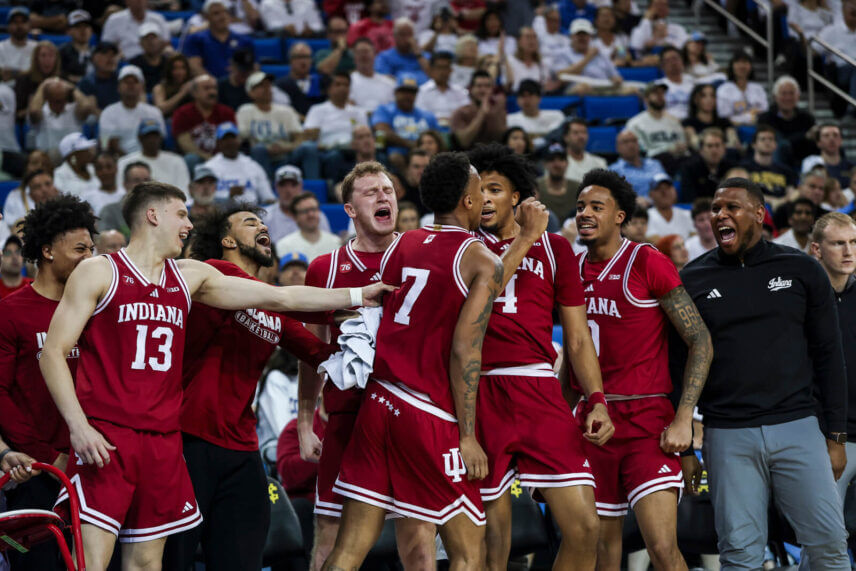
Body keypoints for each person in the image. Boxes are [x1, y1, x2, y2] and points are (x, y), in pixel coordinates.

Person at [40, 180, 392, 571]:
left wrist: (359, 295)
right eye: (181, 214)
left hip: (165, 441)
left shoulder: (190, 277)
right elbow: (53, 352)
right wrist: (78, 426)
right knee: (90, 561)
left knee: (146, 563)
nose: (188, 224)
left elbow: (282, 298)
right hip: (110, 435)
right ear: (153, 215)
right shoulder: (98, 271)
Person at [323, 152, 502, 570]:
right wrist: (469, 435)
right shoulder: (482, 260)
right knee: (468, 552)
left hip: (379, 401)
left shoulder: (402, 242)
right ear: (468, 200)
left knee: (348, 550)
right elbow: (465, 350)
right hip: (427, 413)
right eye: (479, 188)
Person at [678, 178, 849, 568]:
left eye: (731, 207)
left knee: (828, 544)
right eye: (716, 209)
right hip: (726, 433)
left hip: (799, 425)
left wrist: (836, 435)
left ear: (759, 214)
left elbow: (828, 356)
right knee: (739, 554)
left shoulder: (802, 269)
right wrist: (687, 448)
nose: (720, 214)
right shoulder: (692, 279)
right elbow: (677, 365)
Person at [162, 203, 336, 571]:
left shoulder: (269, 302)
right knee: (172, 561)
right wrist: (356, 298)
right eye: (250, 222)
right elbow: (291, 301)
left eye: (263, 223)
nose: (263, 228)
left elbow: (320, 354)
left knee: (242, 561)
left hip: (242, 448)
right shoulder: (213, 274)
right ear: (226, 240)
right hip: (187, 441)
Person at [468, 144, 611, 570]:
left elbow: (579, 338)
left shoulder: (555, 249)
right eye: (478, 191)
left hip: (537, 388)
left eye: (495, 189)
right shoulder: (461, 246)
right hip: (479, 389)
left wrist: (597, 398)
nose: (486, 199)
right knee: (492, 548)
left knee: (586, 529)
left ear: (517, 198)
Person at [297, 161, 435, 570]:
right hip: (349, 417)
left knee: (419, 538)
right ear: (350, 210)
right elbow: (312, 351)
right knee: (330, 533)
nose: (383, 196)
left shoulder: (423, 257)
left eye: (388, 190)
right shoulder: (325, 268)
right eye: (370, 192)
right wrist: (306, 420)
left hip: (412, 414)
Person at [574, 168, 712, 569]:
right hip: (590, 420)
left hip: (647, 419)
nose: (585, 213)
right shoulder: (571, 269)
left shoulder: (645, 260)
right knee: (602, 553)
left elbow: (700, 339)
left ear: (620, 216)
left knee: (663, 549)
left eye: (596, 207)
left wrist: (685, 417)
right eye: (580, 206)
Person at [0, 195, 96, 570]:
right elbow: (1, 392)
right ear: (47, 251)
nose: (90, 257)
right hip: (33, 471)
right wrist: (22, 453)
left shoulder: (97, 311)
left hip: (90, 463)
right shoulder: (10, 312)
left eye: (92, 247)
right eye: (79, 249)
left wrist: (67, 449)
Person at [804, 212, 856, 568]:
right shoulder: (798, 301)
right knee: (824, 541)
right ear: (816, 249)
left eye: (853, 243)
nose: (848, 251)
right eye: (838, 243)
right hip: (823, 438)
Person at [238, 71, 318, 181]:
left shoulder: (285, 110)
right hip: (260, 156)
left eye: (268, 85)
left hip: (287, 154)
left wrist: (287, 148)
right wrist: (268, 148)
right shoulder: (245, 110)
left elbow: (300, 137)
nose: (267, 89)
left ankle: (314, 188)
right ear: (251, 92)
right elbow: (243, 138)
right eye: (261, 86)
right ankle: (265, 188)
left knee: (309, 147)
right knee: (259, 149)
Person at [302, 72, 368, 179]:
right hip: (328, 151)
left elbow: (366, 134)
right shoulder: (318, 110)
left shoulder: (358, 112)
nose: (342, 88)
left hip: (354, 151)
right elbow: (309, 136)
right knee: (335, 157)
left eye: (346, 85)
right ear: (329, 89)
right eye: (338, 84)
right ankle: (333, 187)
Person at [372, 73, 440, 170]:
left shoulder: (427, 116)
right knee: (395, 157)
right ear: (396, 93)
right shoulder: (384, 110)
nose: (408, 96)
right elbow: (382, 132)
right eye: (404, 91)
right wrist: (413, 145)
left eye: (411, 92)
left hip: (425, 153)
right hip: (398, 152)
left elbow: (437, 138)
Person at [173, 75, 237, 172]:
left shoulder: (226, 112)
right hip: (199, 160)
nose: (212, 92)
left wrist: (218, 160)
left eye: (214, 88)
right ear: (194, 93)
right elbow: (185, 143)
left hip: (223, 159)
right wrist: (209, 159)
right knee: (191, 158)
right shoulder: (183, 113)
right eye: (206, 88)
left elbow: (233, 140)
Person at [98, 65, 166, 156]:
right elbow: (105, 143)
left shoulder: (154, 112)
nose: (131, 85)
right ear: (118, 87)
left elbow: (160, 139)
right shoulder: (108, 112)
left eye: (135, 82)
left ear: (142, 87)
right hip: (120, 160)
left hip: (150, 157)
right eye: (126, 82)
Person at [204, 122, 275, 206]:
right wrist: (229, 197)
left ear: (239, 140)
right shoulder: (209, 167)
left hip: (252, 214)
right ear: (218, 142)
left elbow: (268, 198)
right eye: (225, 139)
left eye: (232, 138)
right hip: (221, 215)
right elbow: (204, 202)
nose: (230, 142)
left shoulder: (253, 165)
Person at [626, 82, 688, 176]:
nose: (660, 96)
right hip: (653, 162)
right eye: (655, 93)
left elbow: (683, 145)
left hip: (678, 160)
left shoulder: (674, 121)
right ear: (646, 99)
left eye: (662, 93)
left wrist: (682, 147)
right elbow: (642, 152)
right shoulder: (635, 123)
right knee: (666, 157)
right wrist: (668, 149)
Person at [116, 119, 191, 194]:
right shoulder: (124, 162)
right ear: (140, 138)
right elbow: (121, 190)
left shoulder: (177, 160)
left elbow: (184, 190)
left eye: (155, 136)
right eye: (148, 136)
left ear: (161, 138)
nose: (152, 140)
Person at [554, 19, 627, 96]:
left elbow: (616, 75)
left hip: (604, 89)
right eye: (578, 34)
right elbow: (560, 75)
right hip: (579, 89)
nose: (582, 38)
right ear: (571, 36)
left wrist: (616, 79)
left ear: (590, 36)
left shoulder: (600, 53)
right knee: (582, 88)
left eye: (585, 35)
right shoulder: (563, 53)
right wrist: (588, 57)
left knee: (632, 90)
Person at [264, 165, 333, 245]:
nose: (288, 190)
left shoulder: (316, 216)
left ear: (301, 186)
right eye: (283, 185)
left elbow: (326, 244)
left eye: (293, 185)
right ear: (276, 187)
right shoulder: (266, 217)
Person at [183, 0, 253, 78]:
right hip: (208, 87)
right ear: (207, 17)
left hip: (238, 85)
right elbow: (195, 67)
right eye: (216, 13)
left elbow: (254, 67)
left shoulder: (244, 41)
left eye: (225, 12)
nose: (222, 16)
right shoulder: (196, 39)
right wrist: (216, 84)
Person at [758, 76, 817, 165]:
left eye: (791, 93)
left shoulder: (807, 118)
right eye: (784, 94)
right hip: (776, 163)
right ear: (775, 97)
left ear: (798, 96)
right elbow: (777, 142)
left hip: (803, 161)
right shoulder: (766, 118)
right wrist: (804, 136)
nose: (788, 98)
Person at [742, 124, 798, 209]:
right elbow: (743, 193)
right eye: (763, 139)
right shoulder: (744, 168)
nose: (767, 142)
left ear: (775, 145)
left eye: (771, 139)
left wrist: (781, 202)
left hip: (781, 208)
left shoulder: (786, 170)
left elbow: (792, 193)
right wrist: (772, 201)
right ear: (754, 144)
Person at [274, 193, 342, 261]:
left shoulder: (336, 242)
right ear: (295, 217)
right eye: (305, 211)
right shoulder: (284, 245)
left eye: (314, 209)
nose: (311, 214)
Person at [450, 70, 507, 149]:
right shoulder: (460, 113)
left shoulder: (498, 111)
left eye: (487, 86)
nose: (483, 90)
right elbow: (464, 141)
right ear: (470, 88)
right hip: (468, 157)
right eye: (479, 86)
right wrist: (481, 114)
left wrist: (495, 114)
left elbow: (502, 139)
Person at [677, 128, 734, 202]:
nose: (714, 150)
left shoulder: (731, 167)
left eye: (717, 145)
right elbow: (689, 198)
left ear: (724, 148)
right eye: (709, 146)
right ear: (701, 150)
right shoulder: (690, 168)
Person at [100, 0, 169, 61]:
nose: (139, 1)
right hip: (125, 62)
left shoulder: (158, 19)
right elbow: (106, 45)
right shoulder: (114, 20)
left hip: (153, 62)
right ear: (127, 1)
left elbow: (166, 43)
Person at [608, 129, 667, 200]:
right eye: (625, 142)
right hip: (633, 208)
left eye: (634, 141)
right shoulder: (613, 171)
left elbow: (667, 188)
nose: (631, 145)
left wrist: (649, 201)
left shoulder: (655, 164)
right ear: (617, 148)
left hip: (660, 205)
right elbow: (615, 198)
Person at [96, 162, 152, 236]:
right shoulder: (110, 212)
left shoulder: (158, 211)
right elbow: (104, 243)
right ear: (125, 184)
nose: (142, 185)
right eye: (136, 180)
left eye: (146, 180)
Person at [416, 52, 470, 127]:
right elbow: (420, 115)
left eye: (446, 67)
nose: (442, 72)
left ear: (451, 70)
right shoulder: (422, 91)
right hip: (431, 131)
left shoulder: (460, 92)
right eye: (439, 67)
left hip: (455, 131)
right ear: (431, 69)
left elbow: (466, 114)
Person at [506, 80, 565, 149]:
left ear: (539, 98)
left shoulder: (557, 116)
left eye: (530, 95)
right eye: (522, 96)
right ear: (517, 100)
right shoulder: (510, 120)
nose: (526, 100)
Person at [716, 51, 769, 126]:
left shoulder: (758, 88)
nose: (742, 66)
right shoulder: (724, 89)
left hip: (757, 126)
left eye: (745, 62)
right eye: (737, 62)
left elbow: (765, 110)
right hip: (733, 128)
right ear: (732, 66)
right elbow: (724, 116)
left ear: (750, 66)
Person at [349, 38, 396, 116]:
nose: (363, 55)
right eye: (359, 52)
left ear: (375, 54)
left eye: (366, 52)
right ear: (354, 56)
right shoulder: (348, 82)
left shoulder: (389, 82)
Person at [276, 42, 324, 117]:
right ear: (290, 61)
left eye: (306, 57)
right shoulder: (280, 85)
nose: (303, 61)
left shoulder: (321, 82)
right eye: (299, 57)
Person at [801, 123, 855, 188]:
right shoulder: (811, 163)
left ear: (841, 140)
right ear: (818, 142)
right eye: (826, 135)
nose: (831, 139)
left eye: (835, 135)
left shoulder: (852, 167)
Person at [537, 143, 579, 224]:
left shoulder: (577, 188)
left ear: (567, 163)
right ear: (545, 164)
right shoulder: (536, 187)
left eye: (561, 159)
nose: (557, 164)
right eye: (552, 160)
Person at [646, 173, 693, 239]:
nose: (664, 192)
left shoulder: (687, 214)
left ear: (675, 191)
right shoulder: (646, 217)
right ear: (650, 194)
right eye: (658, 188)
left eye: (668, 187)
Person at [76, 42, 120, 112]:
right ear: (94, 58)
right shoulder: (86, 82)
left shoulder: (123, 80)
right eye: (105, 54)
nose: (110, 58)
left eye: (113, 55)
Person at [53, 133, 99, 197]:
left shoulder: (92, 168)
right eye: (84, 149)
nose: (89, 152)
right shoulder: (60, 175)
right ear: (72, 155)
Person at [562, 118, 607, 183]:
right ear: (566, 137)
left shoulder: (599, 163)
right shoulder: (557, 164)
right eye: (575, 133)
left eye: (584, 132)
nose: (581, 136)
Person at [0, 7, 37, 82]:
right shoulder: (1, 47)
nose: (19, 26)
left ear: (29, 26)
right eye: (15, 22)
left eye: (23, 22)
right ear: (8, 26)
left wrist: (13, 73)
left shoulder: (37, 48)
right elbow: (4, 74)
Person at [659, 46, 695, 120]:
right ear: (662, 66)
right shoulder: (658, 86)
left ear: (682, 61)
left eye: (675, 58)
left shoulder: (693, 82)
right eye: (668, 60)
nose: (673, 63)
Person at [83, 153, 125, 217]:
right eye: (99, 168)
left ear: (116, 168)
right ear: (95, 171)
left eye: (109, 166)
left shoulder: (125, 194)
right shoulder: (87, 198)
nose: (105, 171)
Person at [129, 23, 168, 91]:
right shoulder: (134, 64)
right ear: (140, 43)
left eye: (153, 37)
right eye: (146, 38)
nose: (150, 42)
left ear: (160, 41)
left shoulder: (168, 62)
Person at [154, 54, 194, 119]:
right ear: (169, 71)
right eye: (175, 68)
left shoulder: (194, 85)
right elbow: (161, 109)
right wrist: (182, 93)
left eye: (183, 68)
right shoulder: (160, 88)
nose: (179, 72)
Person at [60, 10, 94, 84]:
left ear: (91, 30)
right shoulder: (62, 52)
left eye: (86, 26)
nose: (83, 30)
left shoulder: (96, 52)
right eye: (78, 27)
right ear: (69, 31)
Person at [685, 197, 716, 262]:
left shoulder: (727, 244)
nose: (707, 224)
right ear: (694, 225)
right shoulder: (687, 248)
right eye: (701, 220)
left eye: (709, 218)